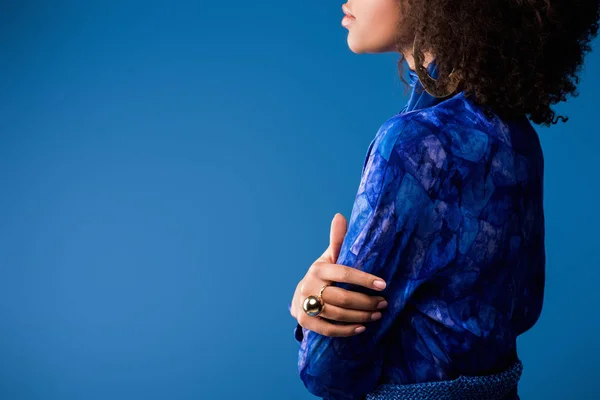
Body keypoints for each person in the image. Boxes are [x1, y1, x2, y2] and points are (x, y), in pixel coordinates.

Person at [288, 0, 600, 399]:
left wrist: (310, 306)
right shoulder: (518, 138)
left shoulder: (412, 144)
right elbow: (524, 310)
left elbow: (326, 372)